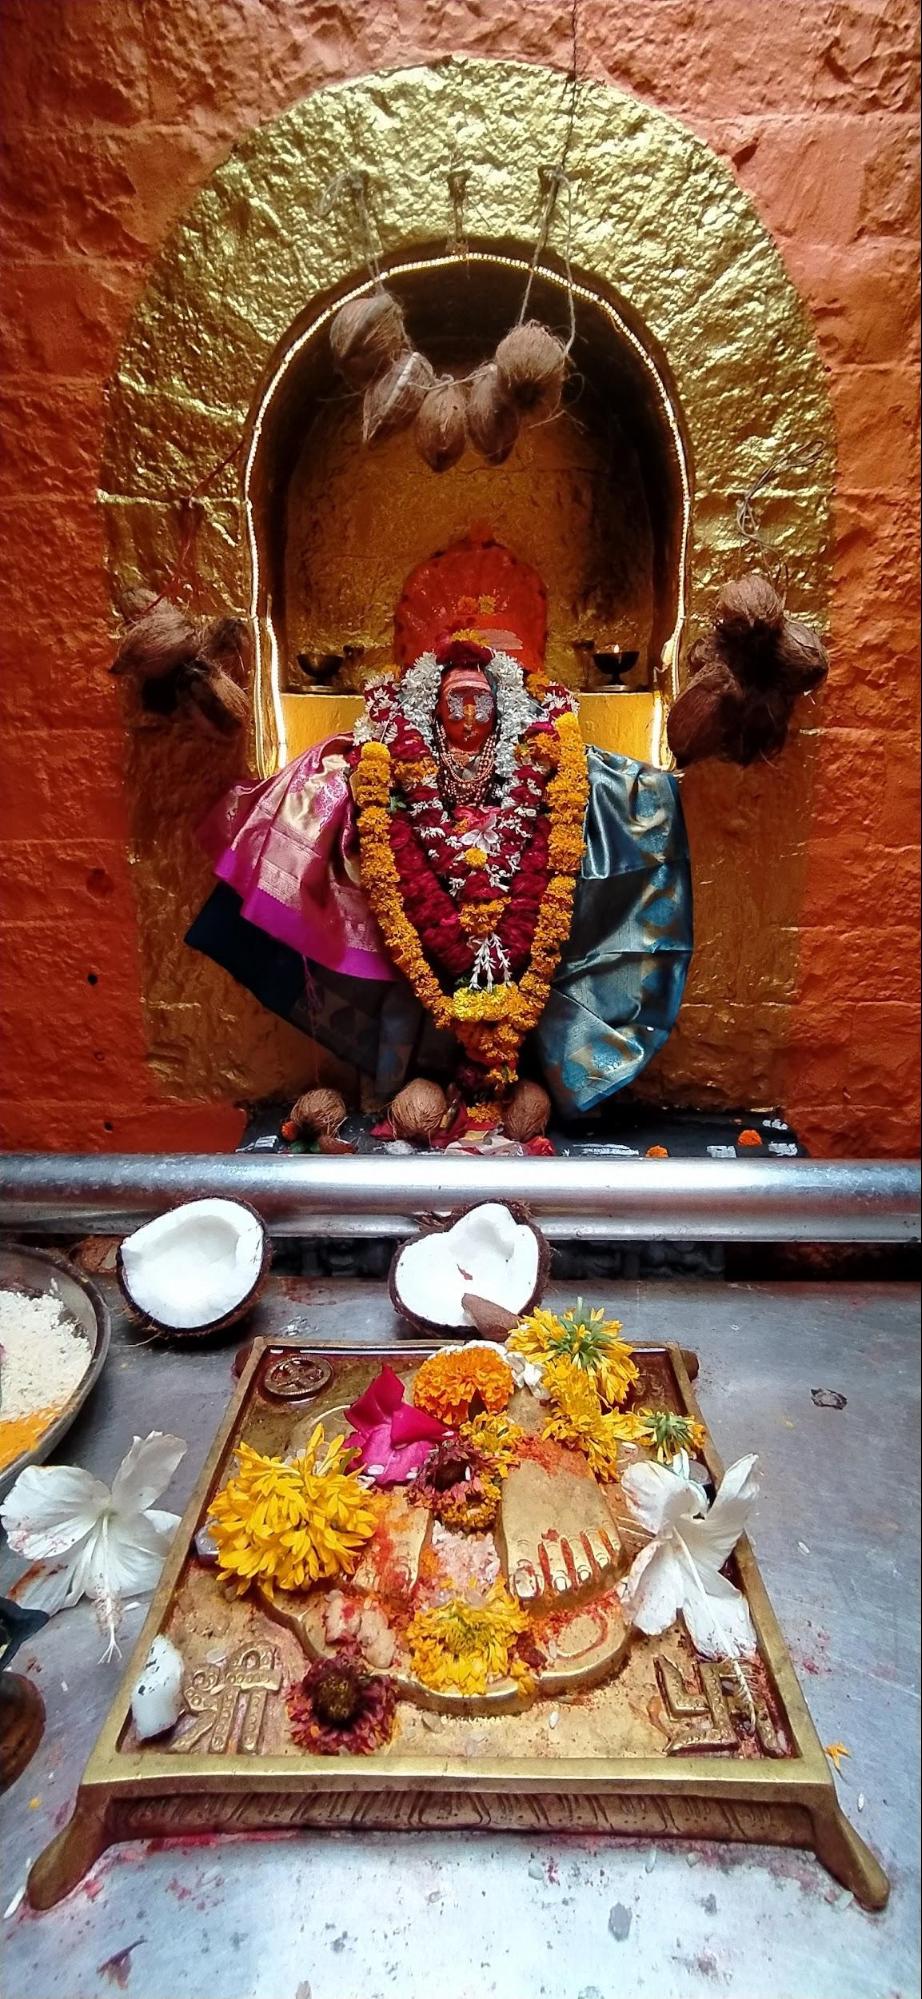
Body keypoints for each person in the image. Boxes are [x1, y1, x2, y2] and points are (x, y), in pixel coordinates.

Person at [187, 535, 692, 1118]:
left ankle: (525, 1076)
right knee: (376, 864)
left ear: (505, 701)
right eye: (456, 704)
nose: (469, 716)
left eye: (481, 703)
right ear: (432, 704)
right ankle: (405, 1077)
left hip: (515, 853)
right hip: (422, 843)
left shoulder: (540, 747)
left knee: (589, 828)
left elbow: (556, 786)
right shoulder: (394, 751)